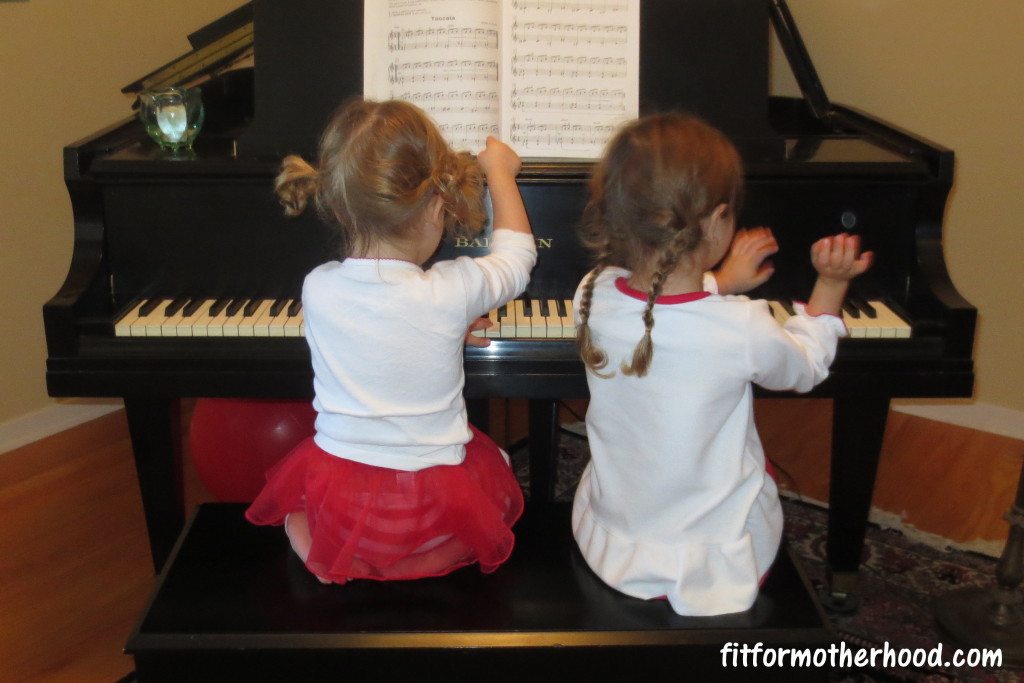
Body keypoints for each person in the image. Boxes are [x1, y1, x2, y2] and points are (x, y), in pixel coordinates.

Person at [571, 113, 872, 616]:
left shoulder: (591, 292)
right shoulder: (742, 327)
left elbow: (664, 316)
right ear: (715, 223)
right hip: (709, 553)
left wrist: (718, 281)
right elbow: (805, 367)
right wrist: (830, 287)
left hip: (619, 531)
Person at [245, 99, 537, 585]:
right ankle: (418, 556)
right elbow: (517, 258)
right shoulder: (450, 290)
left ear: (337, 207)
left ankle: (330, 557)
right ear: (437, 206)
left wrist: (440, 332)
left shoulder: (318, 286)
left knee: (302, 519)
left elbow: (374, 336)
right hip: (429, 510)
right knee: (495, 475)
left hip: (345, 501)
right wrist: (500, 172)